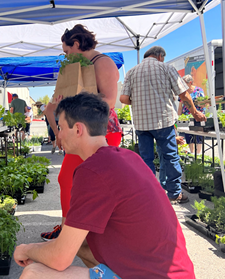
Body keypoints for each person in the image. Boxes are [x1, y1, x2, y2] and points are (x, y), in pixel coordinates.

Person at [15, 93, 197, 279]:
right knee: (83, 246)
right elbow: (75, 243)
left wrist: (27, 249)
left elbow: (60, 257)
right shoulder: (125, 156)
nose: (55, 135)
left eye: (58, 127)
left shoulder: (92, 171)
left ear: (78, 130)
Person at [41, 24, 122, 240]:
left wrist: (76, 99)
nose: (66, 57)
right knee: (68, 178)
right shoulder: (77, 68)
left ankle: (79, 232)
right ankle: (71, 229)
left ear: (76, 44)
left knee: (80, 180)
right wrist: (59, 129)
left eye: (67, 51)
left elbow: (110, 101)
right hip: (80, 133)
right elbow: (50, 108)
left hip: (102, 132)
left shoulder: (102, 62)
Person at [120, 46, 206, 204]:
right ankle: (174, 193)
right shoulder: (166, 68)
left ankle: (150, 193)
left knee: (146, 159)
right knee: (170, 156)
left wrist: (139, 101)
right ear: (160, 56)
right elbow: (183, 93)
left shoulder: (132, 71)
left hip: (142, 123)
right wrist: (194, 112)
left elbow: (124, 99)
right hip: (163, 122)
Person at [177, 74, 205, 155]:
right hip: (187, 117)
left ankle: (199, 153)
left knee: (199, 134)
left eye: (184, 83)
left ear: (190, 82)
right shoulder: (182, 92)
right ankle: (192, 152)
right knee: (188, 134)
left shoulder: (199, 91)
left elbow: (203, 103)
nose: (182, 85)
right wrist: (179, 117)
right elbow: (180, 107)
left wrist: (200, 104)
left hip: (197, 116)